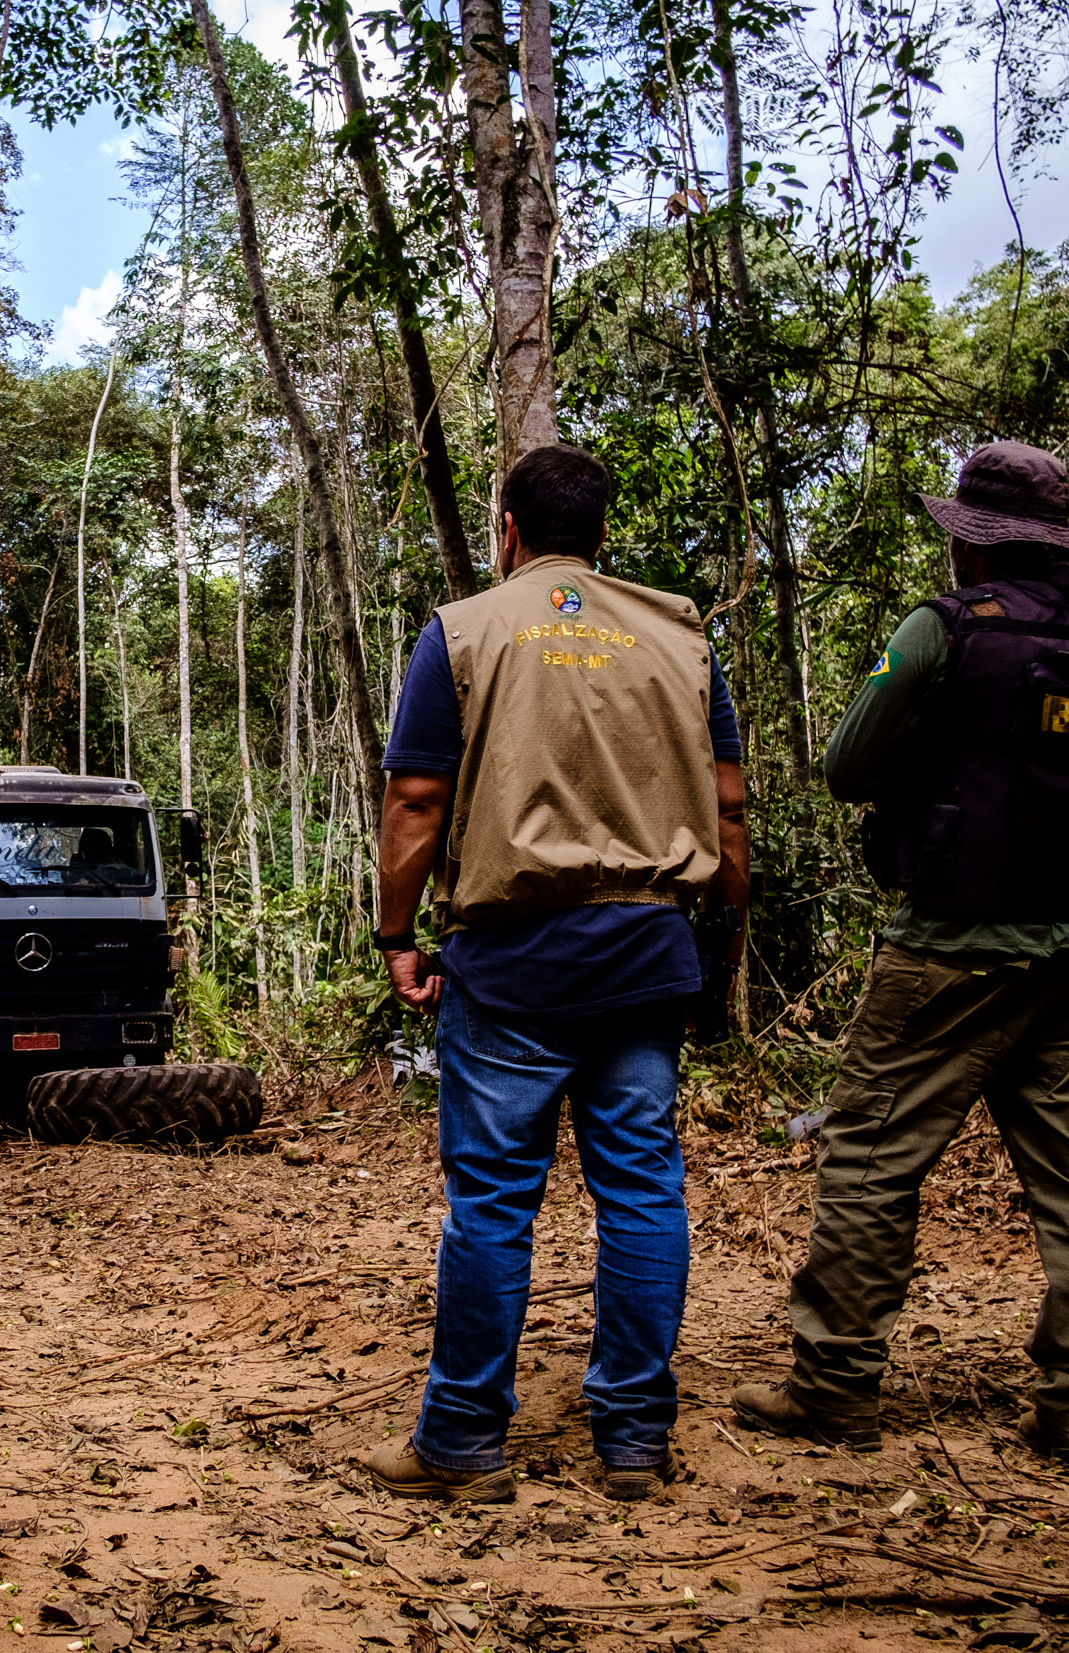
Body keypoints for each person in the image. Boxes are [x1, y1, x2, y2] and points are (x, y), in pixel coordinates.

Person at [731, 440, 1069, 1475]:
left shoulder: (940, 632)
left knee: (869, 1156)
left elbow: (844, 766)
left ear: (974, 546)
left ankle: (834, 1385)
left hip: (947, 948)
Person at [356, 441, 750, 1505]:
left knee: (490, 1201)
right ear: (601, 536)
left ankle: (461, 1442)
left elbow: (417, 804)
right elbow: (726, 806)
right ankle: (631, 1441)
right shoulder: (676, 633)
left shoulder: (465, 631)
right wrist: (722, 941)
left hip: (514, 957)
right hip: (645, 950)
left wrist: (396, 935)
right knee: (638, 1189)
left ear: (508, 530)